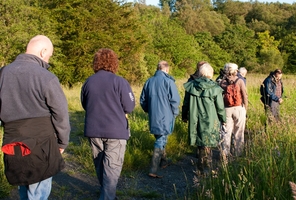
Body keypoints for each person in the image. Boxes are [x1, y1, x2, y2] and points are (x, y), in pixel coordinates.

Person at [0, 35, 71, 199]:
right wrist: (62, 142)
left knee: (23, 187)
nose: (48, 60)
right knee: (38, 193)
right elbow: (60, 114)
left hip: (12, 143)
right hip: (41, 144)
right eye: (49, 56)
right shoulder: (46, 77)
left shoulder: (3, 73)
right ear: (43, 51)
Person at [81, 48, 135, 200]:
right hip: (115, 131)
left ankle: (107, 194)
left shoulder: (88, 82)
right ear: (114, 63)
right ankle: (107, 196)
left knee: (100, 164)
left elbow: (85, 104)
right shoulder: (120, 82)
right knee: (112, 168)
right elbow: (129, 107)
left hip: (93, 129)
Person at [182, 63, 226, 175]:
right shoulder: (215, 88)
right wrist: (223, 119)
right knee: (209, 141)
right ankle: (206, 167)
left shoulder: (191, 85)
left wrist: (184, 116)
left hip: (195, 117)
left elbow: (186, 103)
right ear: (210, 73)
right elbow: (220, 107)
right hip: (211, 118)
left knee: (201, 142)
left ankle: (201, 167)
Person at [140, 60, 180, 178]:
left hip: (154, 115)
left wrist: (149, 110)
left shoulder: (149, 81)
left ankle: (163, 160)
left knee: (160, 137)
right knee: (161, 139)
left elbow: (143, 100)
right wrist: (175, 113)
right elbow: (175, 100)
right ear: (166, 69)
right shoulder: (169, 82)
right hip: (166, 115)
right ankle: (153, 169)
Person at [220, 63, 248, 157]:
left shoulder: (222, 82)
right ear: (235, 70)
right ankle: (238, 153)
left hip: (226, 108)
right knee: (239, 132)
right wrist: (245, 108)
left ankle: (225, 154)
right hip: (239, 108)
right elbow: (244, 95)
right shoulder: (240, 81)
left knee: (226, 132)